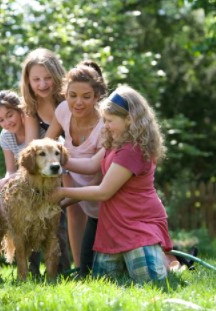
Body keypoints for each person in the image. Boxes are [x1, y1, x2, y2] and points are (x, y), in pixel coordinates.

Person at [51, 85, 173, 283]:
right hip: (113, 226)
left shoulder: (132, 150)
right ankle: (162, 259)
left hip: (137, 225)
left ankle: (171, 262)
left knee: (150, 281)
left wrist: (62, 192)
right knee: (103, 283)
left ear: (129, 120)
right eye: (104, 120)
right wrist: (57, 159)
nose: (105, 126)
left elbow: (103, 192)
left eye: (109, 121)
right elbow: (91, 164)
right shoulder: (115, 142)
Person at [46, 61, 107, 278]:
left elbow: (94, 168)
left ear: (97, 96)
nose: (78, 102)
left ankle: (172, 259)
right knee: (74, 217)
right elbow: (46, 142)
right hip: (74, 183)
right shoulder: (63, 110)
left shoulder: (106, 126)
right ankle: (81, 270)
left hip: (102, 195)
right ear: (65, 94)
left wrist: (59, 161)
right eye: (72, 95)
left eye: (86, 96)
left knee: (107, 266)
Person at [20, 48, 71, 276]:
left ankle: (67, 266)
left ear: (58, 76)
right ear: (28, 82)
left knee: (62, 213)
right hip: (51, 167)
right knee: (33, 197)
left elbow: (54, 139)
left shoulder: (69, 101)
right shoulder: (31, 108)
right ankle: (32, 267)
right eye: (36, 79)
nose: (42, 84)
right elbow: (33, 144)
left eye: (48, 78)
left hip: (73, 162)